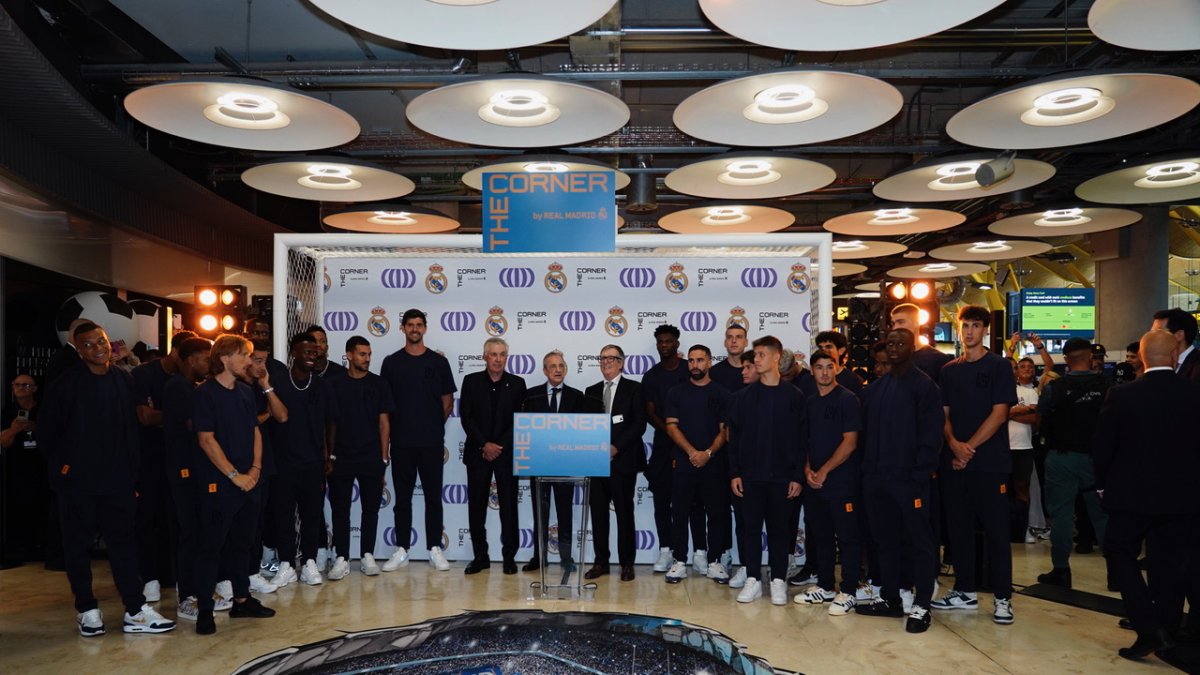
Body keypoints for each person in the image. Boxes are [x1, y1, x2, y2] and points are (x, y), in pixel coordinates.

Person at [39, 322, 174, 636]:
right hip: (78, 484)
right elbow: (47, 433)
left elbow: (134, 430)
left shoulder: (123, 379)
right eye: (87, 344)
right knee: (77, 548)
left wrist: (133, 475)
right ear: (78, 349)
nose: (97, 348)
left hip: (119, 482)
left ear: (108, 341)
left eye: (100, 341)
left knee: (124, 545)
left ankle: (135, 610)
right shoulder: (66, 384)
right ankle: (87, 610)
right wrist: (66, 469)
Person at [1095, 329, 1200, 664]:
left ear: (1141, 356)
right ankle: (1165, 628)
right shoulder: (1194, 394)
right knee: (1171, 564)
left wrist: (1102, 484)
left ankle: (1148, 626)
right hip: (1184, 497)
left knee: (1118, 551)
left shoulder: (1123, 395)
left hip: (1131, 495)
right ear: (1174, 355)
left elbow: (1104, 446)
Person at [932, 306, 1017, 624]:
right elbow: (943, 414)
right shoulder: (950, 370)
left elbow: (999, 413)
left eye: (975, 326)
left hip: (990, 463)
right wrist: (955, 446)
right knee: (958, 530)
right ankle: (964, 590)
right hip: (954, 463)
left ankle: (1003, 597)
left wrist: (969, 448)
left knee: (996, 532)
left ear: (985, 330)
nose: (969, 331)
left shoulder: (998, 366)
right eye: (964, 325)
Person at [857, 328, 943, 634]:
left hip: (910, 481)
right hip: (877, 480)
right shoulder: (877, 389)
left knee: (920, 543)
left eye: (900, 343)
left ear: (912, 347)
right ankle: (891, 598)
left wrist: (920, 475)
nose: (894, 348)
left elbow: (931, 436)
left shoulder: (924, 386)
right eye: (890, 343)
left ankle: (922, 605)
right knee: (885, 541)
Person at [192, 335, 276, 634]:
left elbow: (255, 431)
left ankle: (242, 599)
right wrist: (233, 476)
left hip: (250, 481)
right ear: (226, 358)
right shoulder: (205, 395)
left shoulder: (244, 392)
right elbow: (206, 440)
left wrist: (254, 469)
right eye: (245, 355)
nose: (249, 362)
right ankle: (205, 608)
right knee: (211, 546)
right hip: (220, 484)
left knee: (243, 543)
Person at [725, 336, 805, 606]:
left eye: (760, 355)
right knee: (749, 528)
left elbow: (801, 440)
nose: (755, 360)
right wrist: (735, 472)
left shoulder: (794, 396)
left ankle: (779, 580)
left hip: (783, 478)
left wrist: (797, 476)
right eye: (755, 355)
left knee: (780, 531)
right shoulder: (743, 397)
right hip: (750, 477)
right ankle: (752, 579)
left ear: (775, 358)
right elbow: (733, 438)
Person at [379, 309, 455, 572]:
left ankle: (434, 547)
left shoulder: (438, 362)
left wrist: (432, 425)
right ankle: (402, 549)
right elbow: (385, 407)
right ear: (402, 328)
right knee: (402, 498)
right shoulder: (391, 363)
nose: (414, 329)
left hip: (431, 442)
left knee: (434, 497)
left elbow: (447, 402)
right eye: (410, 325)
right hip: (401, 443)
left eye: (419, 324)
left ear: (425, 328)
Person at [1036, 337, 1110, 588]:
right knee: (1101, 516)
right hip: (1095, 458)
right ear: (1090, 357)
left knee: (1061, 515)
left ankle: (1061, 570)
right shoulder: (1106, 386)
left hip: (1061, 457)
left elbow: (1041, 415)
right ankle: (1117, 573)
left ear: (1066, 359)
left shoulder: (1054, 387)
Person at [130, 329, 198, 603]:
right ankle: (149, 578)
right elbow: (145, 417)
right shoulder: (144, 375)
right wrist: (180, 415)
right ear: (178, 354)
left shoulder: (193, 382)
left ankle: (175, 575)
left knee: (179, 520)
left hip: (182, 458)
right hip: (149, 456)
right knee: (147, 518)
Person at [794, 351, 862, 617]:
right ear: (812, 371)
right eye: (819, 367)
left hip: (841, 481)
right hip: (814, 481)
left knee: (847, 537)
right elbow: (806, 441)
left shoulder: (848, 400)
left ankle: (849, 591)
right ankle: (825, 585)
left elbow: (850, 442)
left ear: (836, 369)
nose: (824, 372)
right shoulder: (809, 402)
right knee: (819, 535)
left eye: (829, 367)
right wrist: (808, 469)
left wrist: (824, 471)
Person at [268, 332, 339, 586]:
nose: (312, 356)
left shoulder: (322, 385)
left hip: (313, 462)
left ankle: (309, 562)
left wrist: (329, 454)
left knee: (312, 514)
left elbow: (331, 420)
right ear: (293, 353)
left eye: (315, 352)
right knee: (283, 515)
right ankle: (286, 564)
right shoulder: (276, 382)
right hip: (283, 461)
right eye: (306, 352)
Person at [520, 350, 596, 573]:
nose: (557, 370)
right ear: (544, 370)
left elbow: (582, 431)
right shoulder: (530, 396)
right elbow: (524, 429)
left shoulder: (577, 396)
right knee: (540, 514)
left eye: (561, 366)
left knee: (565, 513)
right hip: (538, 464)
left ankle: (566, 557)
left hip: (565, 465)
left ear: (566, 369)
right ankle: (539, 557)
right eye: (552, 366)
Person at [326, 336, 394, 579]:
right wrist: (330, 456)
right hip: (341, 457)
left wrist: (383, 459)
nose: (367, 359)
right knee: (340, 510)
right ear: (349, 355)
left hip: (371, 458)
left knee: (371, 511)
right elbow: (330, 423)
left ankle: (367, 555)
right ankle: (342, 557)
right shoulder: (333, 384)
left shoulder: (379, 384)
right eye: (362, 354)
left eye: (369, 354)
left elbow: (384, 424)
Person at [663, 345, 732, 584]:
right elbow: (671, 426)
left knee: (716, 514)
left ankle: (715, 562)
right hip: (684, 463)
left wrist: (708, 453)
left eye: (700, 360)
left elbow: (725, 430)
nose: (695, 365)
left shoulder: (722, 394)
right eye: (691, 361)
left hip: (714, 464)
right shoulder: (676, 392)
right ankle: (679, 561)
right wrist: (693, 452)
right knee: (680, 514)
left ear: (710, 362)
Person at [459, 337, 527, 575]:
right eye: (494, 354)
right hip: (478, 453)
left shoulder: (518, 384)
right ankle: (480, 557)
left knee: (509, 507)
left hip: (506, 454)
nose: (498, 359)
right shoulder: (471, 381)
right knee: (476, 507)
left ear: (506, 357)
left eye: (502, 355)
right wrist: (484, 444)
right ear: (484, 356)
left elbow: (520, 420)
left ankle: (509, 557)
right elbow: (466, 417)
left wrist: (499, 445)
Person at [160, 336, 214, 621]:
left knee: (198, 531)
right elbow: (195, 425)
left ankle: (198, 589)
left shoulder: (190, 387)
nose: (209, 364)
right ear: (193, 359)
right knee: (189, 532)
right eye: (206, 358)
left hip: (195, 469)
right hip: (182, 469)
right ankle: (186, 596)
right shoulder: (178, 387)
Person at [641, 325, 702, 574]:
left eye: (669, 341)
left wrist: (684, 437)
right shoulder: (652, 376)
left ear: (677, 344)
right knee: (662, 501)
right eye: (660, 342)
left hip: (692, 445)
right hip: (664, 447)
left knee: (695, 502)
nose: (664, 345)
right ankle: (666, 549)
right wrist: (671, 430)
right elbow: (650, 411)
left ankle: (700, 551)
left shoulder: (690, 370)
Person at [584, 344, 647, 583]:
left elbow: (639, 424)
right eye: (602, 358)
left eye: (611, 358)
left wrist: (615, 447)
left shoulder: (635, 389)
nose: (606, 362)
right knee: (598, 514)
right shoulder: (590, 391)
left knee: (624, 513)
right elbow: (584, 425)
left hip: (623, 461)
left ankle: (627, 563)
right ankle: (601, 562)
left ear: (621, 362)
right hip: (595, 462)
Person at [236, 340, 287, 591]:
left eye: (264, 361)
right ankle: (233, 576)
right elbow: (248, 422)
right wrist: (264, 415)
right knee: (239, 526)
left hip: (262, 466)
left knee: (257, 523)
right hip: (235, 468)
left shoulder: (261, 387)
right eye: (256, 360)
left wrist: (266, 385)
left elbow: (282, 415)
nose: (261, 366)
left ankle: (252, 572)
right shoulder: (232, 388)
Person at [1, 373, 46, 567]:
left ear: (35, 388)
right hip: (17, 468)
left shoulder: (44, 410)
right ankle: (20, 548)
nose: (21, 388)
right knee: (18, 507)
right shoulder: (8, 412)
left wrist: (37, 428)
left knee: (43, 507)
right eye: (17, 385)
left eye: (26, 385)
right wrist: (14, 430)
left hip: (42, 467)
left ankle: (43, 546)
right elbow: (4, 441)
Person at [1009, 356, 1041, 543]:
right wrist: (1020, 410)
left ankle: (1025, 528)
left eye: (1029, 366)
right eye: (1020, 367)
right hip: (1003, 448)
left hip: (1023, 447)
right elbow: (997, 413)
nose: (1024, 369)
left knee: (1022, 488)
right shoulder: (1004, 390)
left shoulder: (1032, 392)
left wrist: (1009, 414)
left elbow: (1034, 420)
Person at [890, 304, 953, 382]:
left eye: (901, 322)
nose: (895, 328)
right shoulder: (891, 357)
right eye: (893, 324)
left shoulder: (937, 359)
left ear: (917, 322)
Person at [1151, 308, 1199, 381]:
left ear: (1179, 335)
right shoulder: (1157, 363)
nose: (1150, 338)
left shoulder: (1197, 366)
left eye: (1158, 332)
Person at [709, 325, 749, 392]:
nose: (733, 341)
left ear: (746, 342)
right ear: (725, 343)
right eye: (729, 337)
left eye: (738, 337)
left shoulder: (755, 372)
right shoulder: (714, 372)